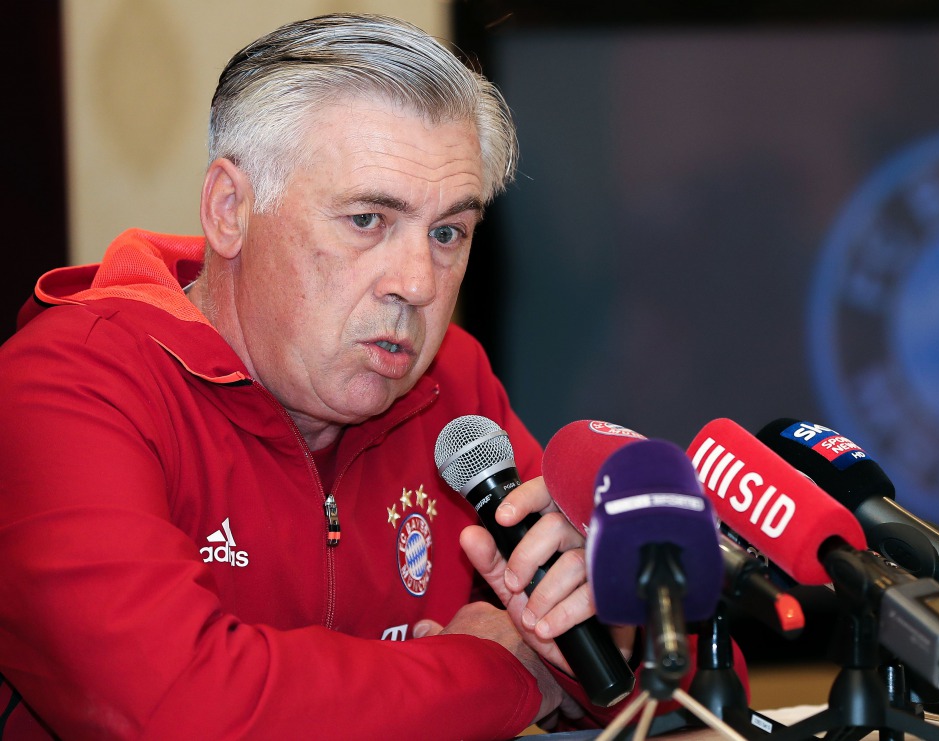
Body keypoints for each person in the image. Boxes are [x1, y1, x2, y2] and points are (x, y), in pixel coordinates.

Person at [0, 13, 747, 740]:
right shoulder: (65, 386)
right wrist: (501, 672)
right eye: (368, 220)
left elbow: (710, 694)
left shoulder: (450, 386)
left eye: (448, 232)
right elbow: (177, 710)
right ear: (231, 210)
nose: (418, 282)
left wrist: (596, 639)